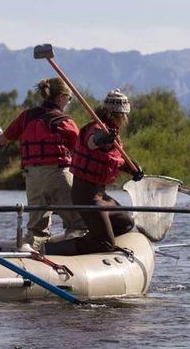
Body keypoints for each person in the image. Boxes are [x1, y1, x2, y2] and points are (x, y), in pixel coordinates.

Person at [0, 78, 87, 251]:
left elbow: (1, 141)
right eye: (69, 99)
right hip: (58, 176)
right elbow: (82, 151)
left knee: (36, 231)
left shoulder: (26, 116)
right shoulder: (65, 122)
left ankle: (29, 256)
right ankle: (73, 259)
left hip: (32, 179)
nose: (69, 102)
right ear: (62, 97)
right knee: (79, 225)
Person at [45, 89, 144, 256]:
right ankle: (47, 250)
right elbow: (92, 142)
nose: (124, 119)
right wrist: (101, 139)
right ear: (115, 114)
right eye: (123, 116)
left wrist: (131, 168)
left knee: (125, 223)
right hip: (86, 197)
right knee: (106, 244)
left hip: (101, 196)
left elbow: (113, 159)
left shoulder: (113, 134)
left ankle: (93, 239)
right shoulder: (97, 128)